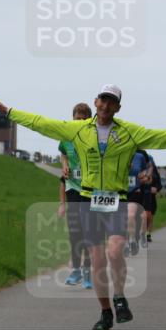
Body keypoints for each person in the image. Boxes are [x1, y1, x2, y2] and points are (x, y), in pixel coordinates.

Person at [0, 85, 166, 330]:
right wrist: (10, 113)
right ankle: (105, 311)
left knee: (114, 251)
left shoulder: (129, 133)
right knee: (98, 259)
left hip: (116, 200)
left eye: (112, 102)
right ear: (96, 102)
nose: (106, 105)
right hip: (89, 200)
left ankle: (119, 297)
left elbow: (163, 137)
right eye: (103, 100)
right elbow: (41, 123)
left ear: (118, 107)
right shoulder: (78, 129)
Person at [59, 103, 93, 288]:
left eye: (83, 118)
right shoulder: (66, 136)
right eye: (76, 118)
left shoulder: (94, 137)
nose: (79, 121)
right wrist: (64, 165)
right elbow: (63, 154)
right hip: (72, 188)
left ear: (88, 119)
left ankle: (88, 272)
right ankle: (76, 271)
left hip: (89, 190)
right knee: (74, 232)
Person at [126, 149, 155, 256]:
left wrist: (145, 176)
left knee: (131, 215)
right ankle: (126, 241)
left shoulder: (140, 156)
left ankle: (133, 240)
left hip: (135, 191)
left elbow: (149, 168)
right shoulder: (116, 152)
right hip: (118, 191)